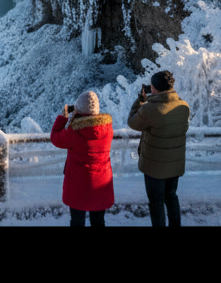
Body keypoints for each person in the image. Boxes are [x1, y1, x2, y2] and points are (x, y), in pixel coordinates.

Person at [127, 69, 190, 226]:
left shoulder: (149, 109)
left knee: (156, 202)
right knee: (171, 197)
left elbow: (133, 122)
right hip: (174, 164)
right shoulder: (183, 106)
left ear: (154, 88)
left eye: (151, 86)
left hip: (154, 166)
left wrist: (140, 101)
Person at [50, 90, 114, 226]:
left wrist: (65, 118)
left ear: (79, 110)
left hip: (78, 183)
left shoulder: (75, 132)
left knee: (77, 221)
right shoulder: (107, 129)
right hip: (101, 182)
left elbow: (55, 138)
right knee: (98, 221)